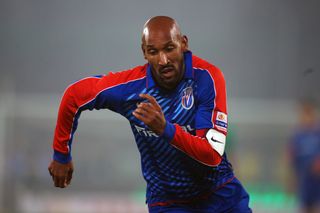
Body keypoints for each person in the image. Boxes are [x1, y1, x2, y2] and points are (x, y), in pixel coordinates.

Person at [48, 16, 252, 212]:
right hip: (169, 203)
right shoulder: (130, 88)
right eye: (153, 51)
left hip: (220, 194)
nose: (163, 60)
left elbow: (211, 155)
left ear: (183, 43)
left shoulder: (207, 78)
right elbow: (74, 95)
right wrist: (61, 154)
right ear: (144, 53)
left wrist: (165, 129)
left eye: (169, 48)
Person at [288, 100, 320, 213]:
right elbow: (292, 157)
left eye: (309, 113)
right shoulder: (297, 135)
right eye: (304, 113)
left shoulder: (317, 133)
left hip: (317, 181)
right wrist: (291, 178)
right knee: (304, 206)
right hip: (303, 179)